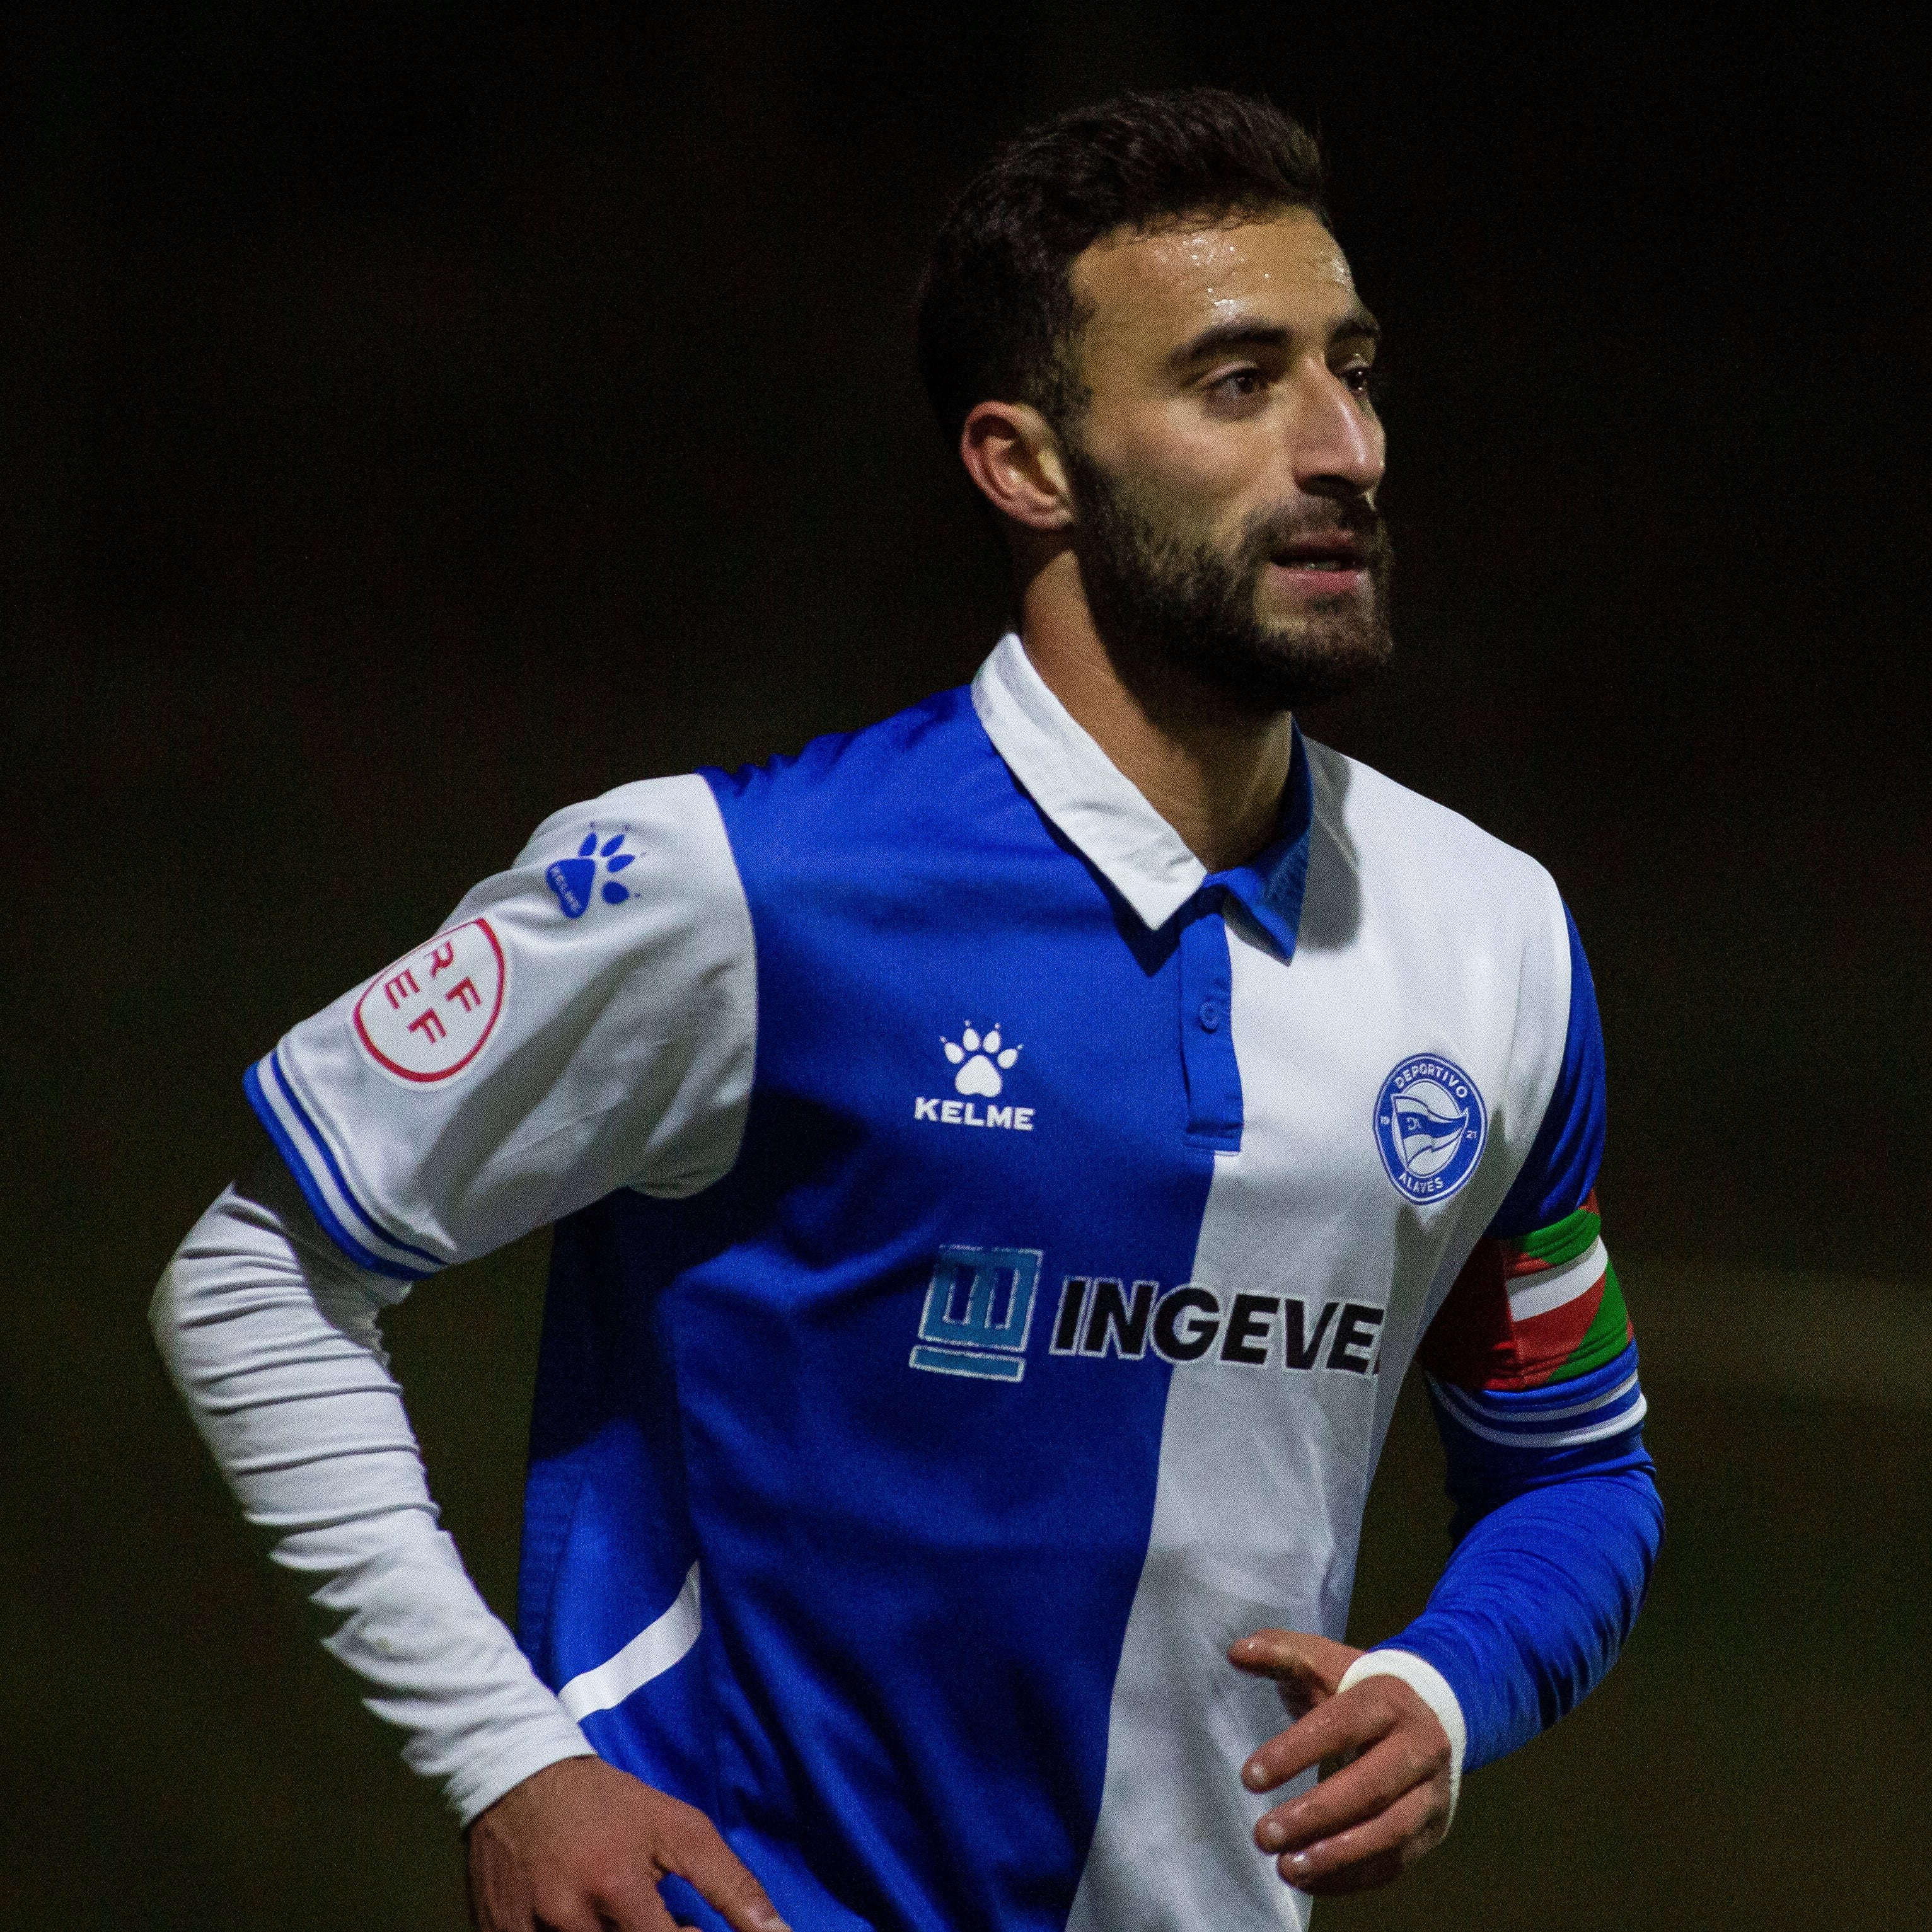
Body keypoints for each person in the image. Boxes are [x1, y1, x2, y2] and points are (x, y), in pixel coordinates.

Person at [153, 88, 1662, 1932]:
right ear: (1025, 465)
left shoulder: (1492, 936)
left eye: (1351, 368)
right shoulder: (746, 887)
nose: (1342, 445)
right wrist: (511, 1760)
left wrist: (1446, 1685)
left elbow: (1575, 1474)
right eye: (1236, 382)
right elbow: (257, 1275)